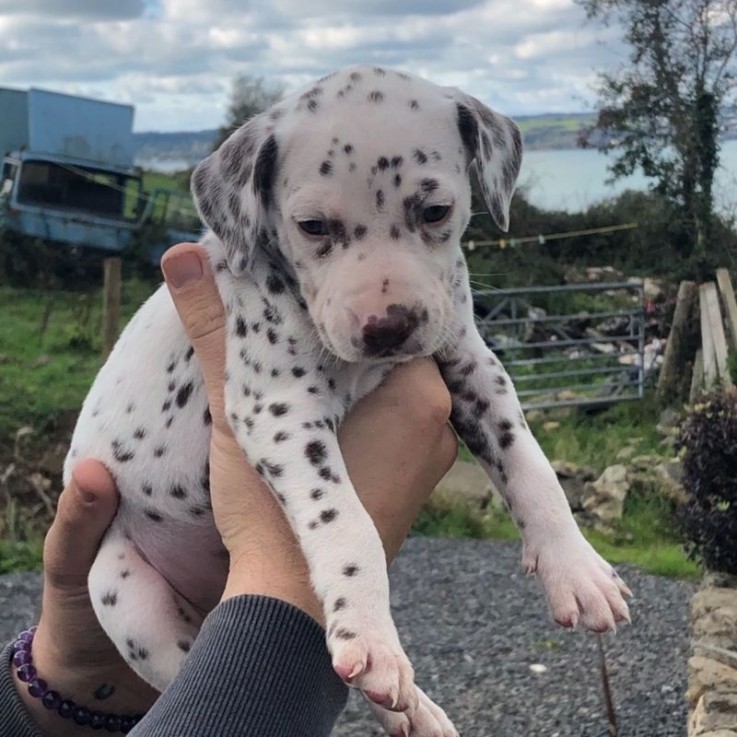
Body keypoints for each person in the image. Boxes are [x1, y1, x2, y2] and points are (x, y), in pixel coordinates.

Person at [1, 243, 458, 736]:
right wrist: (288, 592)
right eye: (314, 228)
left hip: (128, 610)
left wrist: (69, 681)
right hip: (148, 546)